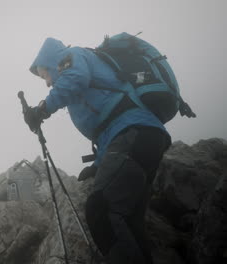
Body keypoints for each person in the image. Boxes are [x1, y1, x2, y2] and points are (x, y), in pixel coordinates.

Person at [25, 38, 172, 264]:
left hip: (134, 132)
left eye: (45, 75)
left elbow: (76, 79)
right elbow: (108, 125)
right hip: (141, 136)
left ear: (52, 63)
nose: (46, 83)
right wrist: (99, 164)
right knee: (128, 223)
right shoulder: (77, 82)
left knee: (100, 210)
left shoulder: (72, 57)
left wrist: (42, 109)